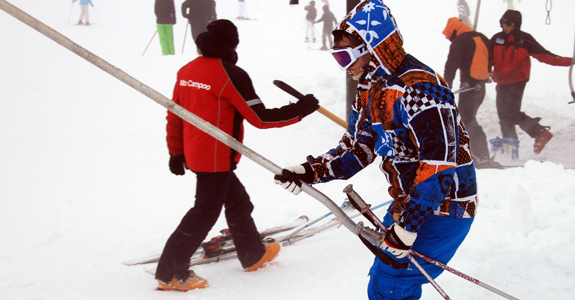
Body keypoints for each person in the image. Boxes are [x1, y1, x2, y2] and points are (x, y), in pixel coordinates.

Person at [274, 1, 477, 299]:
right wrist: (309, 171)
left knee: (393, 281)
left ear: (374, 48)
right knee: (383, 279)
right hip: (411, 206)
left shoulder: (422, 88)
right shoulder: (370, 91)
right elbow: (358, 149)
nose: (346, 67)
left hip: (446, 207)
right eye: (337, 58)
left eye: (347, 56)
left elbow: (439, 164)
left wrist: (408, 227)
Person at [156, 19, 320, 292]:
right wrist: (300, 109)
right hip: (216, 158)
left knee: (238, 203)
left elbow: (175, 114)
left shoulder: (187, 71)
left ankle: (253, 254)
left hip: (198, 154)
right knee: (203, 213)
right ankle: (172, 273)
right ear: (232, 44)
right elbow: (261, 118)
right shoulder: (231, 74)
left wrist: (176, 152)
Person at [489, 10, 574, 156]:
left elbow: (544, 55)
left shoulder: (524, 40)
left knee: (511, 112)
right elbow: (486, 57)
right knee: (503, 115)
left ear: (516, 25)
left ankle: (541, 133)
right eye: (502, 23)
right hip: (501, 81)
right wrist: (486, 70)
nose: (505, 27)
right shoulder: (496, 39)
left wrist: (567, 61)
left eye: (508, 24)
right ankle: (510, 150)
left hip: (517, 81)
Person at [442, 17, 497, 168]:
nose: (452, 40)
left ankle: (481, 155)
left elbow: (451, 66)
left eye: (451, 37)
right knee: (468, 118)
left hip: (469, 85)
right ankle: (477, 154)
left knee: (467, 119)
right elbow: (491, 57)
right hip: (480, 87)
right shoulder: (482, 37)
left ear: (454, 31)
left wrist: (445, 88)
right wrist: (486, 72)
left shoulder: (460, 41)